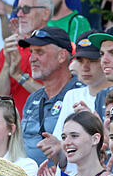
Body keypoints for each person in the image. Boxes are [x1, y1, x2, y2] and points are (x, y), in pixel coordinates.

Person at [17, 26, 82, 164]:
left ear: (62, 56)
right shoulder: (33, 98)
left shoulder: (80, 95)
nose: (31, 59)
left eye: (39, 52)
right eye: (31, 52)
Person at [0, 0, 53, 113]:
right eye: (17, 9)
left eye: (26, 9)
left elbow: (55, 98)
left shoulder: (58, 49)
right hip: (14, 127)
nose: (19, 14)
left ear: (45, 13)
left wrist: (20, 76)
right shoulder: (11, 48)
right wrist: (7, 65)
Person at [50, 31, 113, 138]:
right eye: (80, 60)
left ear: (106, 61)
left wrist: (92, 122)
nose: (85, 67)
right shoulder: (72, 95)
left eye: (92, 60)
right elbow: (60, 140)